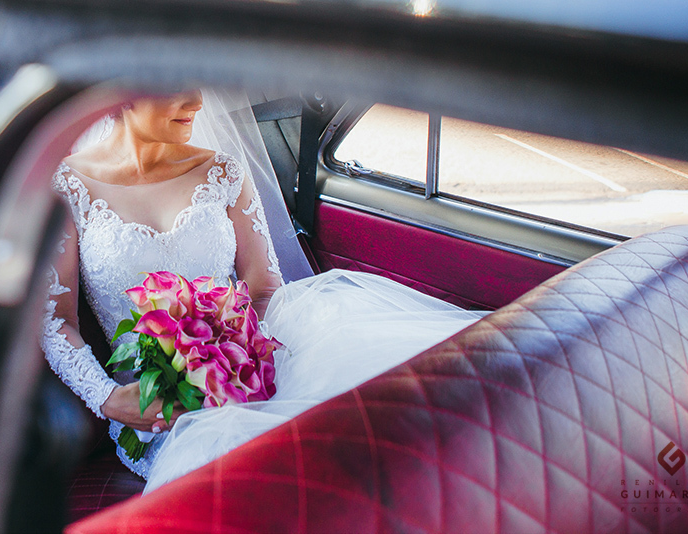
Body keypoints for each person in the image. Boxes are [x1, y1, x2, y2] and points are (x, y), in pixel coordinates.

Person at [41, 89, 486, 491]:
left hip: (244, 377)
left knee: (375, 432)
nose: (197, 102)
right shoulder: (67, 186)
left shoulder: (222, 172)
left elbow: (263, 287)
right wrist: (106, 397)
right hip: (157, 413)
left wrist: (243, 363)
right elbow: (55, 319)